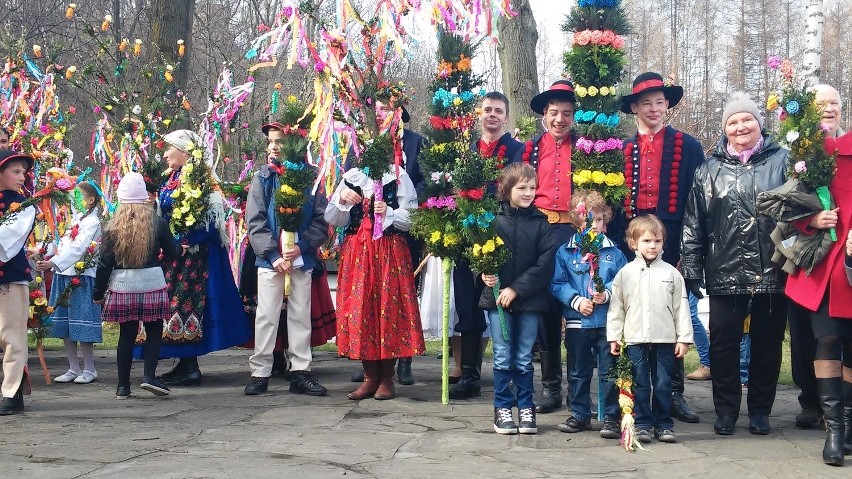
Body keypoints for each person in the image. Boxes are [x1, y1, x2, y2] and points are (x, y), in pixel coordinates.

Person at [682, 91, 789, 436]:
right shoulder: (708, 170)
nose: (741, 126)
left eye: (747, 120)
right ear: (725, 129)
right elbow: (694, 222)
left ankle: (760, 410)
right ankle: (726, 410)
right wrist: (692, 266)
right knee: (723, 344)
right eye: (733, 121)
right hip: (724, 268)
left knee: (767, 344)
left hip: (772, 268)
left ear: (760, 124)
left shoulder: (784, 162)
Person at [616, 72, 705, 423]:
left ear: (667, 104)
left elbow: (697, 203)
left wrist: (688, 248)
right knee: (629, 313)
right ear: (634, 107)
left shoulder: (689, 146)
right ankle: (630, 393)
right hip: (629, 236)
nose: (654, 108)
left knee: (671, 312)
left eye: (659, 102)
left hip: (672, 234)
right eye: (646, 102)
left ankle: (672, 395)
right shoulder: (620, 149)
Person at [437, 91, 526, 399]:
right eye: (487, 109)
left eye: (498, 110)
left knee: (506, 304)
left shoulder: (518, 150)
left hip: (503, 238)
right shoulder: (467, 152)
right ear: (478, 114)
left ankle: (514, 375)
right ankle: (470, 376)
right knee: (468, 306)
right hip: (466, 238)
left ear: (506, 116)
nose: (492, 115)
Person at [325, 134, 425, 401]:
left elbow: (413, 217)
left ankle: (387, 378)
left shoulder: (399, 175)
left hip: (390, 250)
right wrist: (342, 199)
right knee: (362, 309)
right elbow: (333, 217)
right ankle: (369, 376)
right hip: (359, 252)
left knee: (388, 310)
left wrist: (389, 214)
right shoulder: (352, 176)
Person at [152, 130, 251, 386]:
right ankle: (186, 363)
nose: (164, 154)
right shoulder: (174, 177)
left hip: (196, 257)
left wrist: (186, 242)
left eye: (169, 148)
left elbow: (212, 221)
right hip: (174, 254)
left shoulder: (203, 181)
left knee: (189, 304)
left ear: (184, 152)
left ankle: (189, 365)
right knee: (176, 306)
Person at [244, 119, 330, 396]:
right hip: (271, 261)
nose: (273, 148)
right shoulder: (263, 178)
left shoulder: (312, 178)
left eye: (279, 142)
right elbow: (255, 220)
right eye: (270, 142)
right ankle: (260, 372)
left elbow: (321, 220)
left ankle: (300, 371)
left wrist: (303, 246)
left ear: (294, 144)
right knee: (266, 315)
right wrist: (271, 254)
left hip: (300, 260)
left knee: (300, 315)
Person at [783, 122, 852, 466]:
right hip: (827, 268)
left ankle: (849, 426)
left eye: (834, 104)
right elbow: (790, 208)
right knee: (827, 340)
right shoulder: (818, 154)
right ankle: (834, 431)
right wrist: (814, 218)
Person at [352, 102, 425, 387]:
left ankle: (402, 360)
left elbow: (424, 182)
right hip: (368, 234)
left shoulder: (417, 142)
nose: (384, 114)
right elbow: (350, 178)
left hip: (404, 230)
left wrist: (397, 202)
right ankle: (371, 360)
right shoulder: (362, 145)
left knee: (400, 299)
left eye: (389, 109)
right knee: (370, 299)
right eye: (379, 109)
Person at [478, 162, 555, 434]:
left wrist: (517, 289)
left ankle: (525, 406)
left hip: (529, 301)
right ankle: (502, 407)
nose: (528, 193)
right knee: (502, 354)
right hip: (497, 299)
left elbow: (545, 264)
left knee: (523, 356)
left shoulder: (541, 223)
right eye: (522, 188)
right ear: (507, 189)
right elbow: (479, 253)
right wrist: (484, 273)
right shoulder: (491, 221)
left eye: (532, 188)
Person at [93, 172, 179, 399]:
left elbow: (104, 264)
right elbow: (172, 252)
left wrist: (98, 293)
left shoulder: (113, 226)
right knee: (153, 331)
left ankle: (123, 386)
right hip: (152, 281)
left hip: (123, 284)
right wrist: (181, 248)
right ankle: (149, 377)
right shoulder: (157, 222)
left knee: (127, 334)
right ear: (144, 198)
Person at [608, 214, 693, 443]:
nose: (652, 246)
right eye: (646, 241)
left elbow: (681, 307)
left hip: (665, 339)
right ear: (633, 243)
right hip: (635, 338)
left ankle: (664, 424)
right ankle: (643, 423)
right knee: (641, 383)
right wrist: (615, 336)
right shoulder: (625, 274)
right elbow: (617, 308)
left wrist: (683, 338)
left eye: (657, 241)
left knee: (664, 383)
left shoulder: (671, 274)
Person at [522, 79, 578, 414]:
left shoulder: (586, 147)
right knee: (546, 311)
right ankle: (550, 386)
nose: (560, 119)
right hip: (540, 230)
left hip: (573, 231)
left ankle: (578, 384)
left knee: (575, 309)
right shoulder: (529, 148)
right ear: (545, 113)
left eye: (567, 113)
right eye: (554, 112)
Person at [551, 190, 627, 438]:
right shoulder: (565, 252)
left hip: (606, 322)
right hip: (577, 322)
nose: (593, 225)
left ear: (605, 221)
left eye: (598, 220)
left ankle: (611, 416)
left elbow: (624, 282)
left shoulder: (613, 253)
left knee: (608, 371)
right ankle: (580, 414)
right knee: (578, 371)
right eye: (587, 220)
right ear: (575, 221)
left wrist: (606, 295)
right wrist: (576, 300)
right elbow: (558, 283)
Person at [38, 181, 103, 384]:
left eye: (79, 196)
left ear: (90, 200)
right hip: (63, 274)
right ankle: (73, 367)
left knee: (81, 322)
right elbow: (63, 243)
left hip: (81, 276)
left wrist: (52, 263)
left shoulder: (92, 222)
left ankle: (90, 368)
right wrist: (44, 252)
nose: (74, 200)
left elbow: (79, 248)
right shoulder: (75, 220)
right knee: (65, 324)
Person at [0, 149, 36, 415]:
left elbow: (7, 242)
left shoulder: (24, 206)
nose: (22, 177)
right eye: (15, 171)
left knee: (12, 336)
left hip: (10, 277)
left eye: (24, 172)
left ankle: (12, 393)